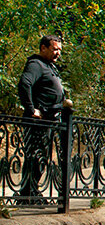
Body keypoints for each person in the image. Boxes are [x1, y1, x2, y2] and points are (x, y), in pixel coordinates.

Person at [17, 35, 65, 203]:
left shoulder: (49, 66)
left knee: (41, 158)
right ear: (43, 48)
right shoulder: (36, 64)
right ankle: (26, 195)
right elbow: (25, 84)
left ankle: (32, 192)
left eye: (59, 49)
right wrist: (31, 110)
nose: (57, 53)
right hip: (38, 121)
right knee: (35, 157)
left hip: (49, 121)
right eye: (54, 49)